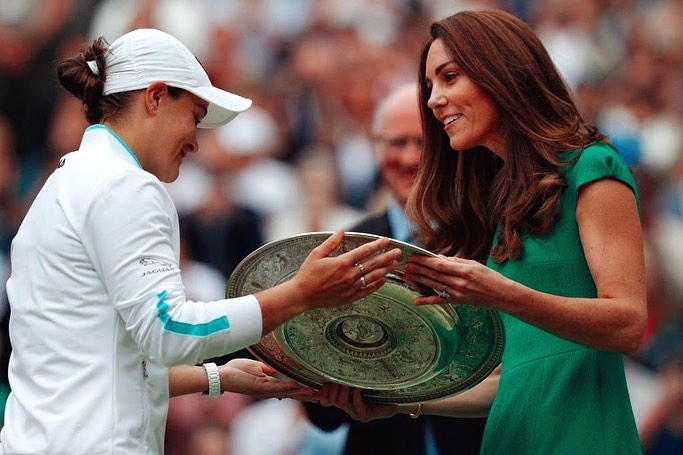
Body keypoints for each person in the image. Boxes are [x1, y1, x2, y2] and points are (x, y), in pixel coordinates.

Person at [0, 28, 403, 454]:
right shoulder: (126, 187)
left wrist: (219, 377)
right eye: (194, 116)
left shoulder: (61, 183)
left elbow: (98, 361)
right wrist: (302, 293)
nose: (196, 141)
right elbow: (169, 330)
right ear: (154, 97)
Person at [320, 9, 647, 455]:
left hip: (581, 436)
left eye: (449, 77)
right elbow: (508, 379)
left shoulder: (592, 167)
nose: (434, 100)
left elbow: (628, 323)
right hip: (509, 439)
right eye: (431, 86)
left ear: (501, 73)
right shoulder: (505, 200)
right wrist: (400, 403)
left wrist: (500, 292)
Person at [303, 82, 487, 454]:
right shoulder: (345, 249)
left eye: (422, 144)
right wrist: (334, 392)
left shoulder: (487, 237)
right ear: (376, 146)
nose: (408, 158)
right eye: (396, 143)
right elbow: (322, 413)